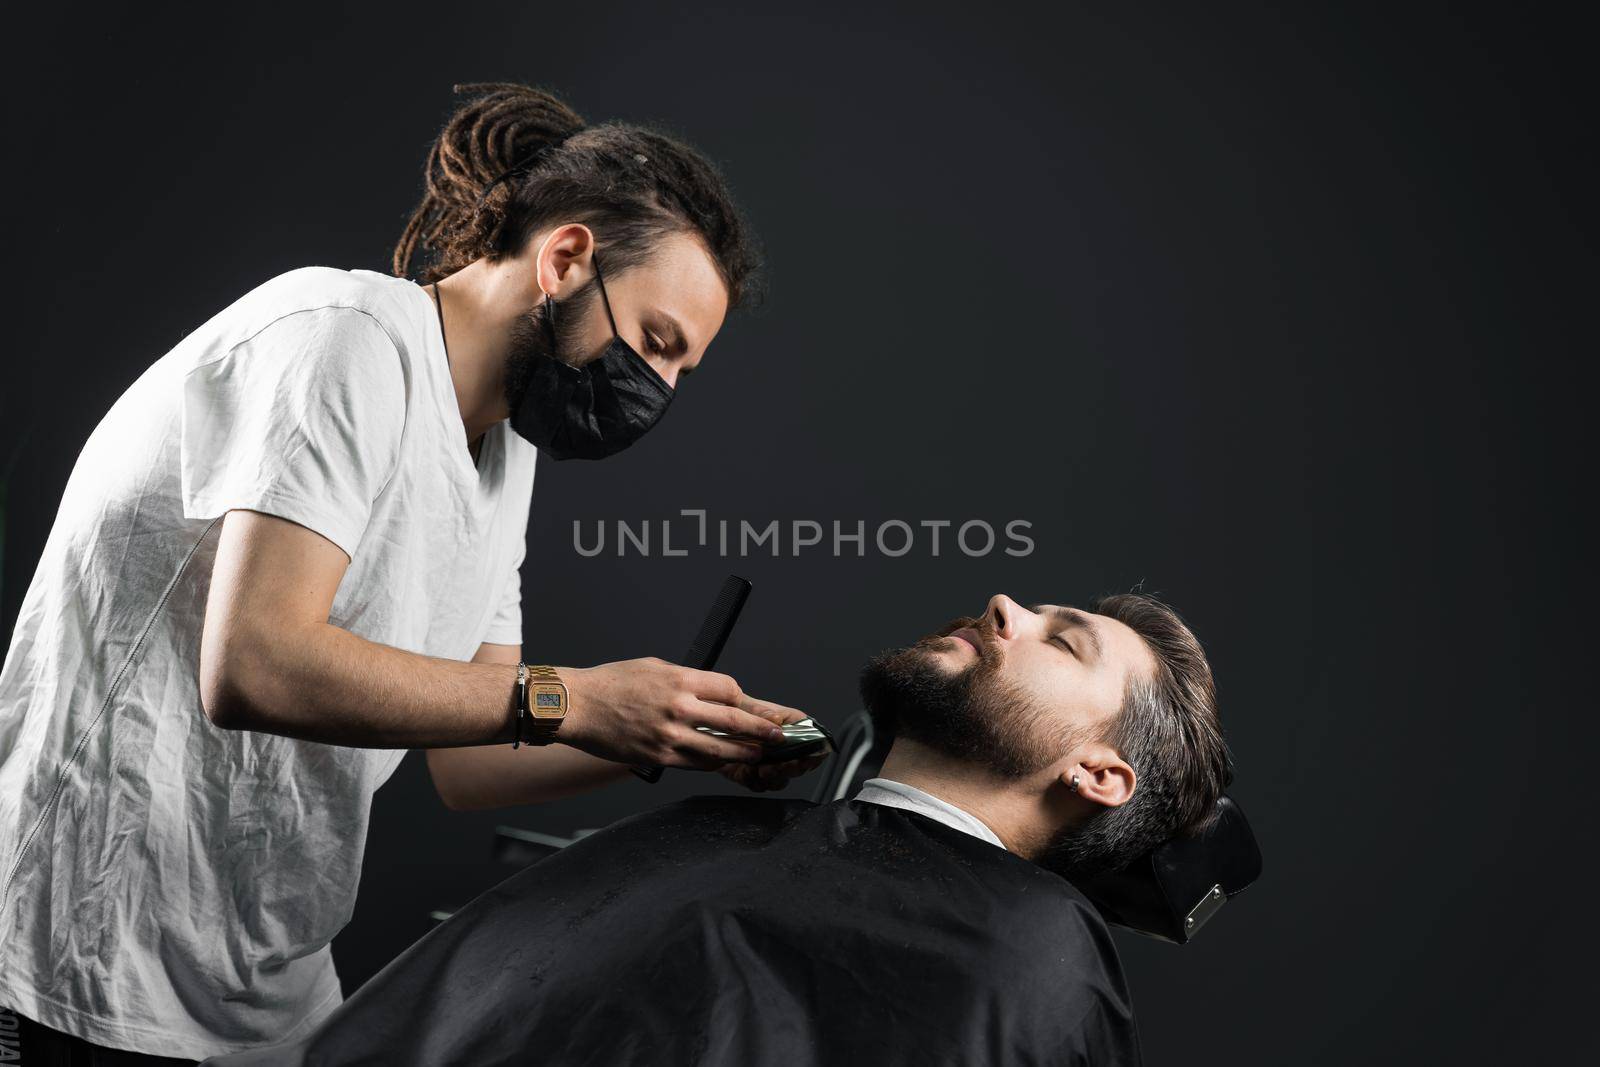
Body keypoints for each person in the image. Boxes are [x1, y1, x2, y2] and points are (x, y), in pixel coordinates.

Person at [0, 82, 819, 1065]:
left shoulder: (503, 452)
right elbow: (255, 661)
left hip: (261, 982)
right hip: (82, 956)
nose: (659, 391)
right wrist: (581, 698)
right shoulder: (344, 339)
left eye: (681, 371)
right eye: (655, 343)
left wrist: (671, 726)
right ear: (563, 258)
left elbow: (476, 757)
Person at [206, 592, 1235, 1067]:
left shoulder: (1033, 954)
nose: (1005, 602)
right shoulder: (712, 825)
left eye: (1062, 641)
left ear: (1099, 772)